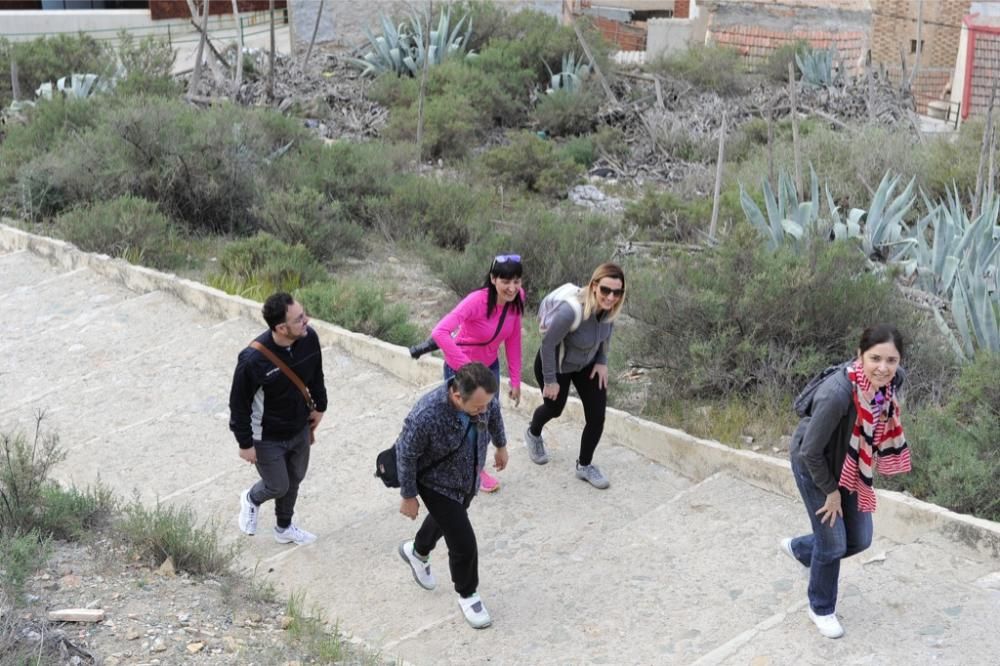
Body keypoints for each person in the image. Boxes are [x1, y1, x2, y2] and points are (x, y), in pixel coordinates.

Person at [782, 324, 911, 639]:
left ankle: (800, 548)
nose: (883, 368)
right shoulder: (837, 394)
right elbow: (811, 451)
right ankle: (821, 607)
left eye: (891, 360)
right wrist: (831, 493)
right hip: (816, 467)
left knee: (861, 538)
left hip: (851, 467)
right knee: (834, 542)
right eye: (875, 358)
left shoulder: (892, 382)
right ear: (860, 355)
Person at [395, 362, 508, 629]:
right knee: (463, 541)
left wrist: (501, 445)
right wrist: (408, 495)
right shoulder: (427, 413)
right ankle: (468, 594)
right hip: (435, 482)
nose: (483, 410)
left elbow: (494, 415)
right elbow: (406, 454)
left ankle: (417, 551)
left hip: (467, 476)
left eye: (486, 404)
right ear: (457, 396)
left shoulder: (484, 400)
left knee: (447, 520)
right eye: (478, 407)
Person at [229, 292, 327, 546]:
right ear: (282, 328)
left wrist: (320, 407)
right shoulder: (252, 360)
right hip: (266, 437)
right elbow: (238, 405)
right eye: (299, 319)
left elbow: (316, 374)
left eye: (303, 315)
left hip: (299, 428)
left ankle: (284, 527)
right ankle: (251, 498)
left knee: (295, 479)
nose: (307, 321)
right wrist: (245, 443)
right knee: (278, 485)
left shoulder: (309, 338)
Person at [525, 262, 626, 489]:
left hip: (586, 364)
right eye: (605, 290)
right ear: (594, 286)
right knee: (554, 408)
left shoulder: (610, 309)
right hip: (555, 365)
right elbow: (548, 345)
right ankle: (533, 433)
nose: (611, 297)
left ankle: (584, 465)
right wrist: (550, 380)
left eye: (617, 292)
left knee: (597, 416)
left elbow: (606, 334)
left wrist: (602, 361)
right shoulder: (571, 311)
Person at [429, 254, 524, 493]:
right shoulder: (476, 301)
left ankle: (471, 463)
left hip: (489, 367)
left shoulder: (517, 299)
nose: (512, 288)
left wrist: (515, 379)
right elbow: (440, 332)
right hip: (463, 368)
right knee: (465, 421)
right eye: (505, 281)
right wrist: (465, 368)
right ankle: (473, 469)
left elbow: (513, 339)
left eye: (517, 281)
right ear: (493, 279)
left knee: (488, 416)